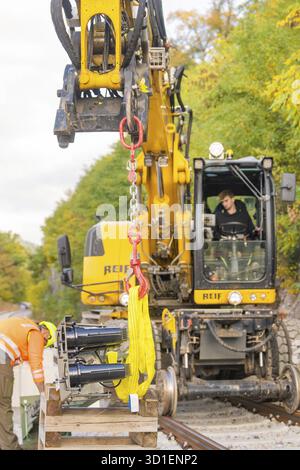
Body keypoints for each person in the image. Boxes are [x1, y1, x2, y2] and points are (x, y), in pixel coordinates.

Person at [0, 318, 57, 450]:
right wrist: (43, 392)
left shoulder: (25, 325)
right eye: (45, 344)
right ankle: (10, 447)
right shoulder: (36, 333)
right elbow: (36, 365)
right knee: (3, 405)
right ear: (47, 334)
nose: (42, 347)